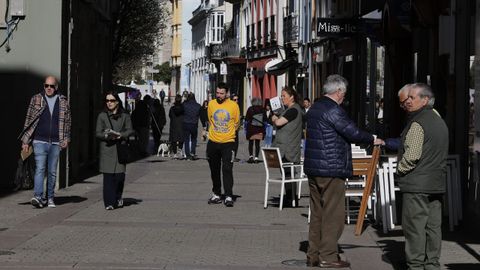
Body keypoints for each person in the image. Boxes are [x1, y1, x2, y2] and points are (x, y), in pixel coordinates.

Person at [304, 74, 383, 268]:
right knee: (333, 215)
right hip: (331, 168)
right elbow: (352, 132)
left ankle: (313, 254)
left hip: (315, 168)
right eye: (343, 93)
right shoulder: (333, 110)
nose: (344, 97)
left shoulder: (315, 107)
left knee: (317, 214)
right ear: (338, 91)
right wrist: (373, 139)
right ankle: (328, 256)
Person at [397, 83, 448, 270]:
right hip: (436, 183)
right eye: (407, 98)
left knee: (415, 228)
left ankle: (416, 266)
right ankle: (432, 264)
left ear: (425, 100)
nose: (408, 101)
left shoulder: (419, 122)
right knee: (433, 227)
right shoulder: (438, 119)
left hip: (417, 184)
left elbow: (412, 155)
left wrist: (400, 170)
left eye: (413, 97)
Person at [20, 76, 71, 208]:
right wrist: (26, 141)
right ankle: (38, 196)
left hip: (55, 142)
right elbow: (28, 119)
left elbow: (68, 122)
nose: (49, 88)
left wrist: (66, 138)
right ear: (44, 86)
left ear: (56, 87)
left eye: (52, 86)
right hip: (39, 140)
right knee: (40, 168)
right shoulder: (36, 98)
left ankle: (50, 198)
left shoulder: (63, 101)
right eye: (46, 86)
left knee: (52, 171)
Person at [95, 91, 134, 210]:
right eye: (107, 101)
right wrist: (107, 136)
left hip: (120, 149)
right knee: (108, 178)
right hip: (107, 149)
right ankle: (109, 203)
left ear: (117, 101)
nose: (109, 103)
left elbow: (130, 130)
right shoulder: (102, 115)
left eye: (111, 100)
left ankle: (117, 197)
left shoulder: (125, 115)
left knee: (119, 177)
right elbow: (98, 132)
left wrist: (120, 135)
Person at [207, 82, 240, 207]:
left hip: (228, 143)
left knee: (227, 169)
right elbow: (210, 119)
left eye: (222, 93)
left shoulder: (234, 106)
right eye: (217, 93)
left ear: (227, 93)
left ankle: (228, 195)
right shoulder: (211, 104)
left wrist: (227, 132)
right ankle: (216, 193)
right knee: (214, 169)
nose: (219, 95)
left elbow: (237, 123)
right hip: (213, 142)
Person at [271, 86, 303, 207]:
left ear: (291, 97)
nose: (282, 98)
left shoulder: (294, 110)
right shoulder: (288, 109)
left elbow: (279, 122)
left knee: (289, 173)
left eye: (284, 96)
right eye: (281, 96)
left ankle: (292, 199)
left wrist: (273, 117)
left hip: (289, 148)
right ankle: (290, 197)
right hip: (284, 148)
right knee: (286, 173)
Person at [245, 97, 266, 163]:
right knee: (257, 144)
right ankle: (256, 158)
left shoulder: (250, 109)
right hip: (259, 129)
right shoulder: (262, 109)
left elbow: (247, 119)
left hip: (251, 129)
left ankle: (251, 157)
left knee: (250, 143)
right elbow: (265, 119)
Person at [183, 93, 202, 160]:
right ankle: (192, 152)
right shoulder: (198, 106)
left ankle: (187, 154)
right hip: (194, 124)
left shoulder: (184, 105)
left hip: (186, 124)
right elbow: (201, 115)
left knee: (186, 140)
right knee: (194, 139)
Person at [231, 94, 241, 162]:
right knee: (231, 143)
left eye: (237, 100)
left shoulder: (237, 106)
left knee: (236, 144)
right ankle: (231, 156)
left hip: (236, 129)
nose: (236, 101)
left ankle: (234, 156)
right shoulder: (231, 107)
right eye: (235, 100)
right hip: (231, 128)